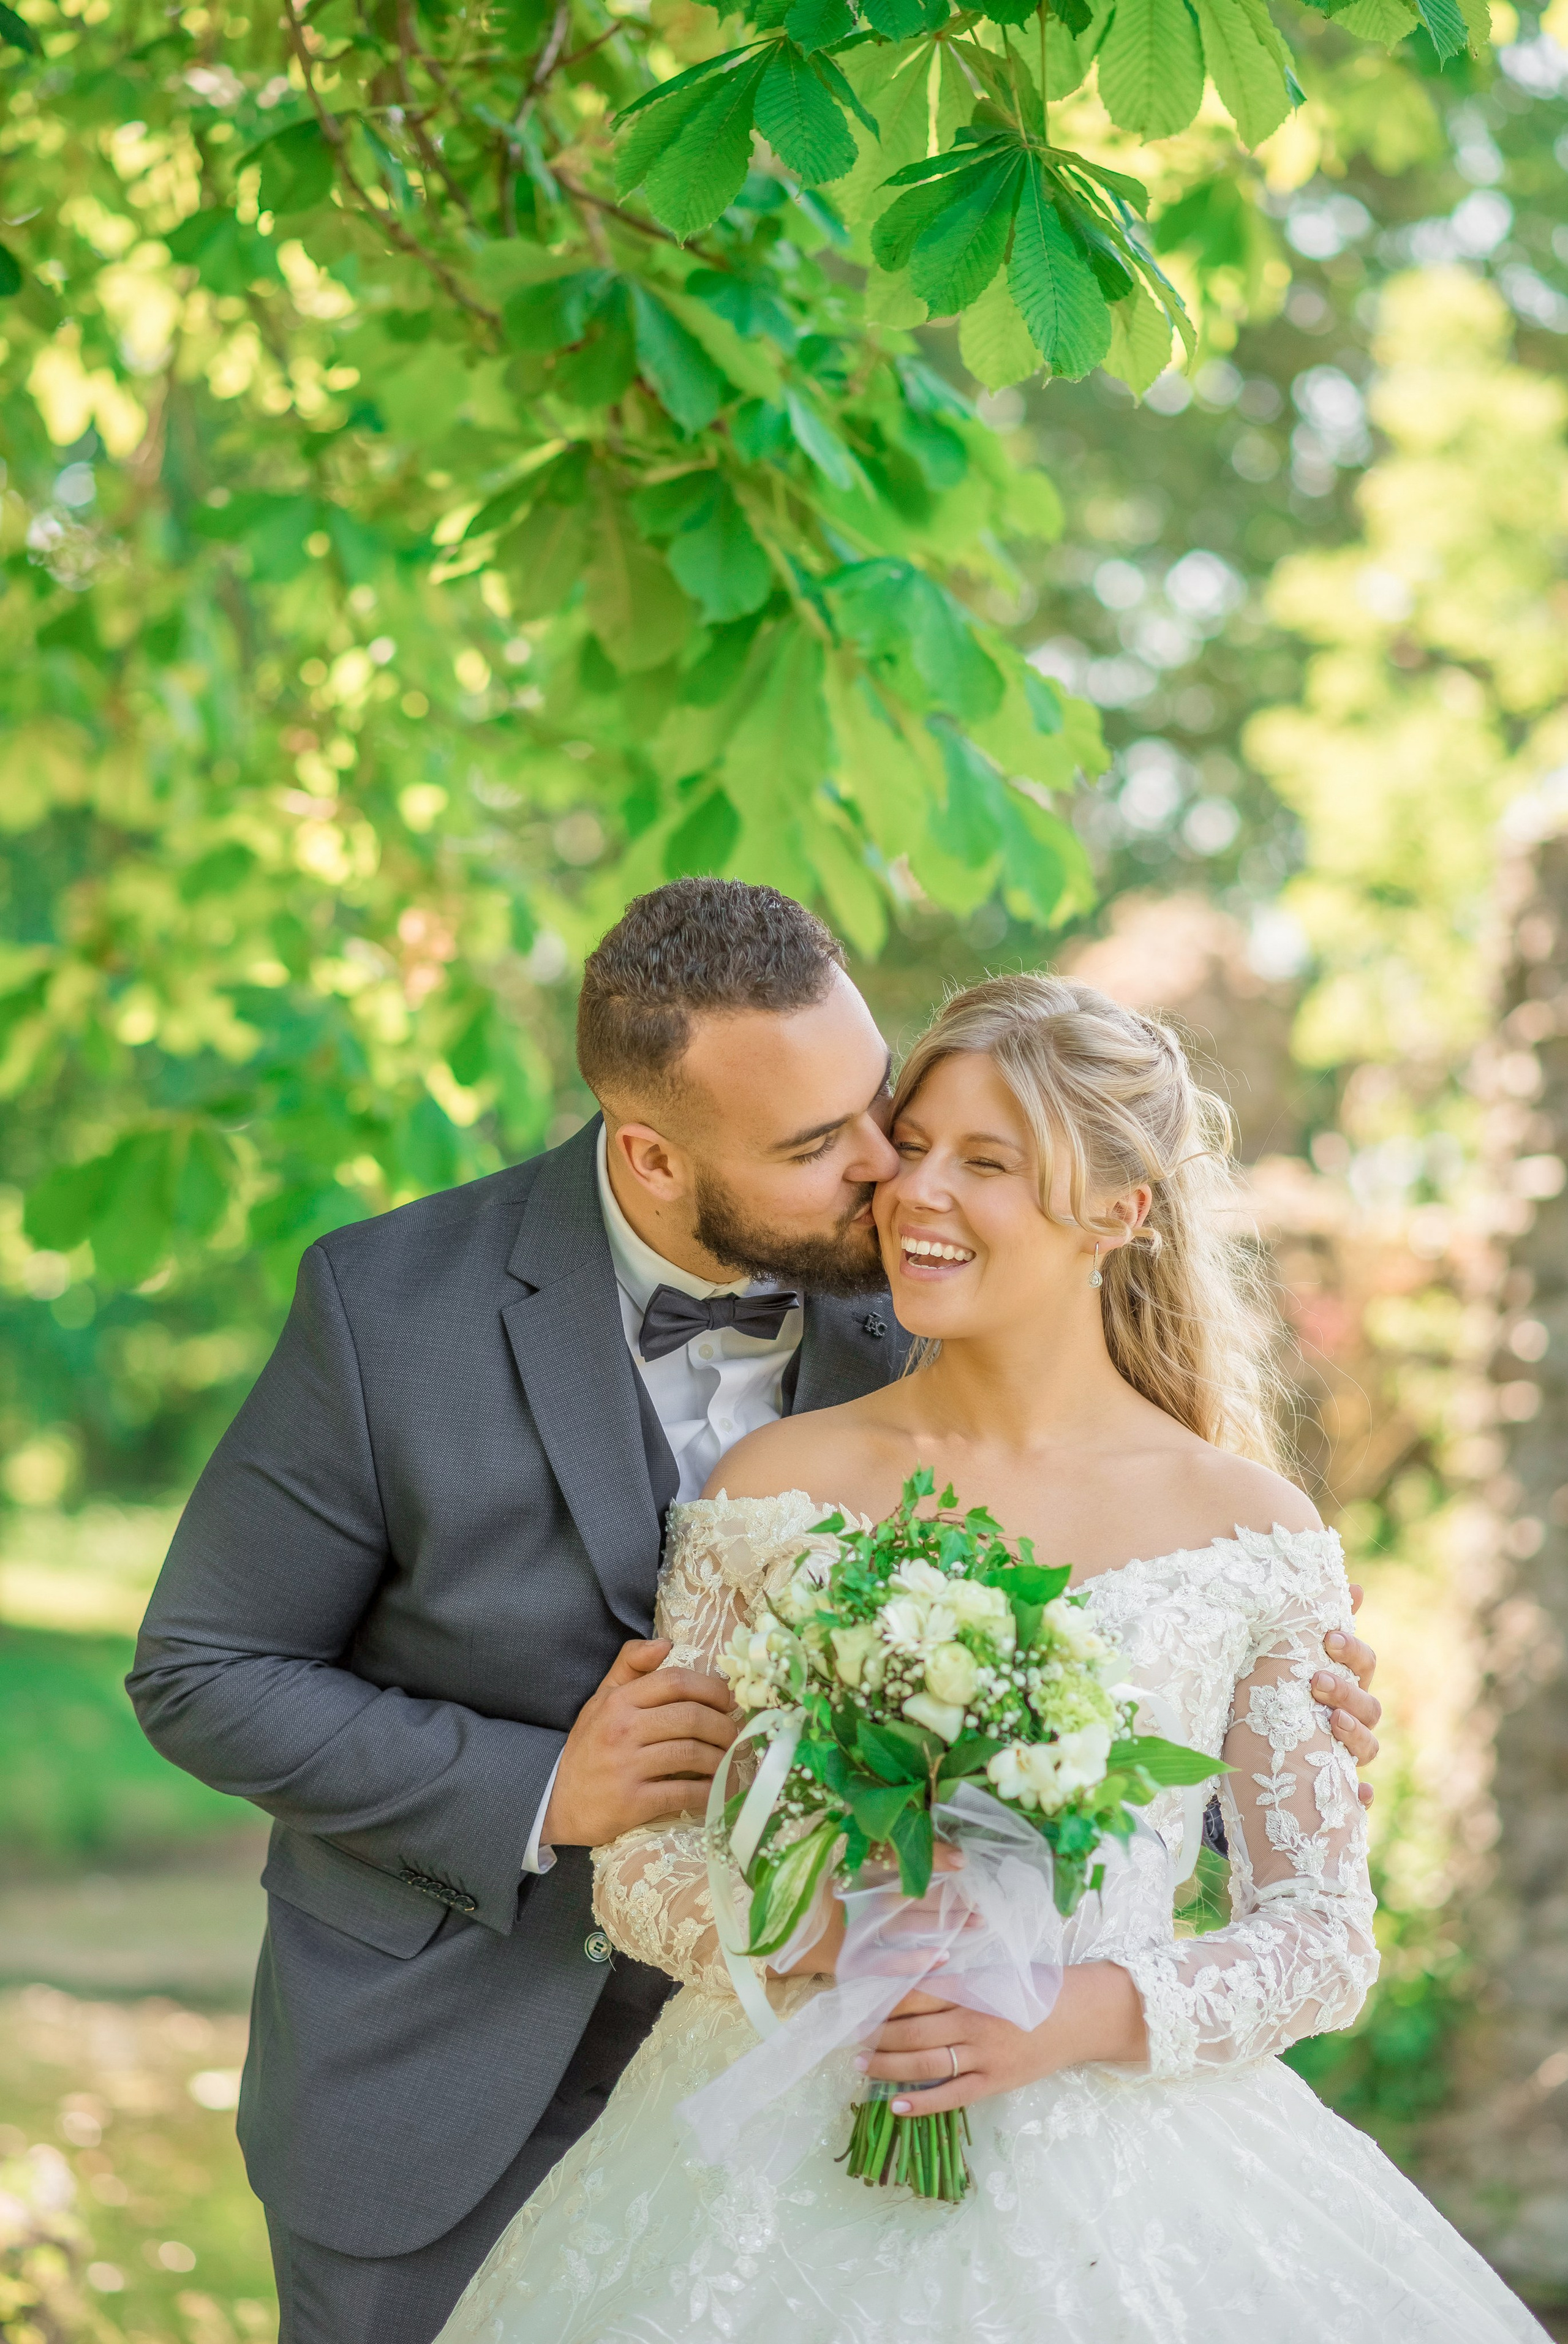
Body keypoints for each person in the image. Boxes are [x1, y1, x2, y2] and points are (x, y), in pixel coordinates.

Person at [127, 887, 1379, 2344]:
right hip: (442, 2077)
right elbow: (205, 1667)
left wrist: (1256, 1733)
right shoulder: (386, 1310)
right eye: (827, 1147)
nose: (884, 1177)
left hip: (886, 2121)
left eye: (883, 1113)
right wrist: (546, 1790)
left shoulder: (916, 1284)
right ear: (654, 1154)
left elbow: (1105, 1645)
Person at [435, 973, 1539, 2344]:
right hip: (772, 2140)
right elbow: (654, 1856)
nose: (915, 1194)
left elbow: (1316, 1938)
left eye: (988, 1162)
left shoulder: (1248, 1531)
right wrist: (807, 1942)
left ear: (1118, 1213)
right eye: (909, 1149)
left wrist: (1066, 2015)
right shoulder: (771, 1485)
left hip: (1129, 2168)